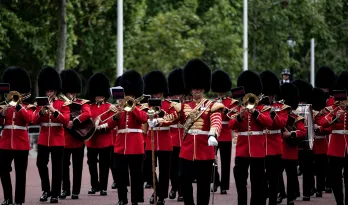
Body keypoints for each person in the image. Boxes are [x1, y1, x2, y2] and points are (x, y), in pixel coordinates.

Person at [178, 59, 223, 205]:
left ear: (203, 88)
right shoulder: (184, 106)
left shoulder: (212, 105)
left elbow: (216, 121)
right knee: (184, 181)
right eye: (194, 88)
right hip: (187, 151)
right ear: (190, 88)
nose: (196, 90)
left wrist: (213, 133)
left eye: (198, 88)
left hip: (204, 149)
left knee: (203, 186)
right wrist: (156, 121)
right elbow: (171, 118)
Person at [103, 70, 147, 205]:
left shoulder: (141, 106)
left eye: (129, 94)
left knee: (136, 175)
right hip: (120, 145)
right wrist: (116, 116)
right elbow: (110, 124)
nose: (127, 96)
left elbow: (143, 119)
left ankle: (135, 200)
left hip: (136, 145)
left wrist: (132, 107)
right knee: (120, 174)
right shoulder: (119, 107)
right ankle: (122, 198)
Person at [229, 70, 273, 205]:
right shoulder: (238, 108)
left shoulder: (263, 108)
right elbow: (231, 125)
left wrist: (255, 112)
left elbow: (269, 123)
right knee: (240, 181)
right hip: (242, 150)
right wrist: (240, 116)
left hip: (257, 151)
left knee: (257, 184)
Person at [32, 66, 70, 203]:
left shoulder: (62, 103)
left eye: (51, 90)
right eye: (47, 90)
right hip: (43, 138)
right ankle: (46, 190)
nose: (49, 93)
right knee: (41, 164)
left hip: (58, 139)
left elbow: (65, 120)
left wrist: (54, 110)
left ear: (56, 90)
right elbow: (34, 120)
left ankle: (54, 193)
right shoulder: (40, 103)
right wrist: (41, 111)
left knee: (57, 167)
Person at [144, 70, 179, 205]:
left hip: (165, 141)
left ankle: (161, 197)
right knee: (147, 169)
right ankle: (157, 190)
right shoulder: (147, 105)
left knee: (165, 172)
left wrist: (162, 118)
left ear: (163, 92)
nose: (156, 94)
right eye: (154, 92)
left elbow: (175, 118)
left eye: (158, 92)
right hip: (150, 141)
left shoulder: (169, 106)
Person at [0, 67, 34, 205]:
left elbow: (30, 119)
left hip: (21, 143)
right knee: (2, 169)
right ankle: (8, 198)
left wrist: (19, 106)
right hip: (6, 142)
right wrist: (1, 114)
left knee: (20, 174)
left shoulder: (28, 106)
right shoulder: (4, 106)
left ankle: (19, 201)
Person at [59, 69, 91, 200]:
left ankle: (75, 191)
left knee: (77, 168)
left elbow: (88, 114)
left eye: (72, 93)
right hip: (64, 140)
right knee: (63, 168)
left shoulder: (81, 103)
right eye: (68, 92)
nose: (70, 95)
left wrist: (75, 120)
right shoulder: (61, 103)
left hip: (77, 140)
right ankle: (65, 189)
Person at [259, 70, 289, 205]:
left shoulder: (281, 107)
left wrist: (272, 114)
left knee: (274, 179)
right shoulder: (257, 107)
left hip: (275, 147)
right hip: (260, 146)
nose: (269, 97)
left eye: (271, 95)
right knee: (260, 179)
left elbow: (282, 123)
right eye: (267, 95)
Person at [319, 71, 348, 205]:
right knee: (335, 178)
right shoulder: (333, 101)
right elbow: (323, 121)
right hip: (336, 145)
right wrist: (335, 116)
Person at [277, 83, 306, 205]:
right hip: (278, 148)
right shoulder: (277, 115)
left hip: (290, 149)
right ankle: (281, 193)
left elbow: (302, 131)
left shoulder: (296, 118)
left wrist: (291, 134)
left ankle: (290, 197)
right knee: (277, 174)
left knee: (291, 175)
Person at [85, 73, 114, 196]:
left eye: (102, 94)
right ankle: (94, 185)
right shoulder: (88, 107)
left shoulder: (109, 107)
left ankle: (103, 187)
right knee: (91, 164)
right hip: (92, 140)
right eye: (97, 94)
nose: (100, 96)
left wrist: (103, 126)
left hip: (105, 139)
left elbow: (111, 122)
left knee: (104, 165)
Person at [210, 69, 238, 194]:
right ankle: (215, 181)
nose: (220, 93)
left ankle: (224, 186)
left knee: (225, 162)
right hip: (215, 133)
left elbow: (235, 117)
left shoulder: (232, 102)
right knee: (211, 160)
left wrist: (226, 111)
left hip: (226, 133)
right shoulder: (212, 102)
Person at [314, 66, 336, 193]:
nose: (324, 89)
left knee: (330, 163)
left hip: (331, 134)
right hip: (321, 135)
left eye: (326, 87)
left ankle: (329, 183)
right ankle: (321, 186)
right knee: (320, 164)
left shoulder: (333, 100)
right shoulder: (317, 99)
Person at [292, 79, 314, 201]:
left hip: (305, 141)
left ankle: (306, 191)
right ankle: (296, 191)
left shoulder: (309, 108)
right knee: (293, 168)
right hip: (293, 140)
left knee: (307, 168)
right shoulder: (290, 108)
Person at [167, 68, 185, 201]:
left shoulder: (189, 105)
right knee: (172, 169)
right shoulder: (170, 105)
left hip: (185, 140)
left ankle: (181, 191)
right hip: (172, 139)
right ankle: (174, 188)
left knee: (183, 169)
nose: (179, 96)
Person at [311, 88, 330, 197]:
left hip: (322, 143)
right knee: (310, 169)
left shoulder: (324, 113)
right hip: (311, 144)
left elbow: (329, 128)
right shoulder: (310, 113)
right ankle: (312, 187)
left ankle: (320, 188)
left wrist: (320, 128)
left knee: (321, 169)